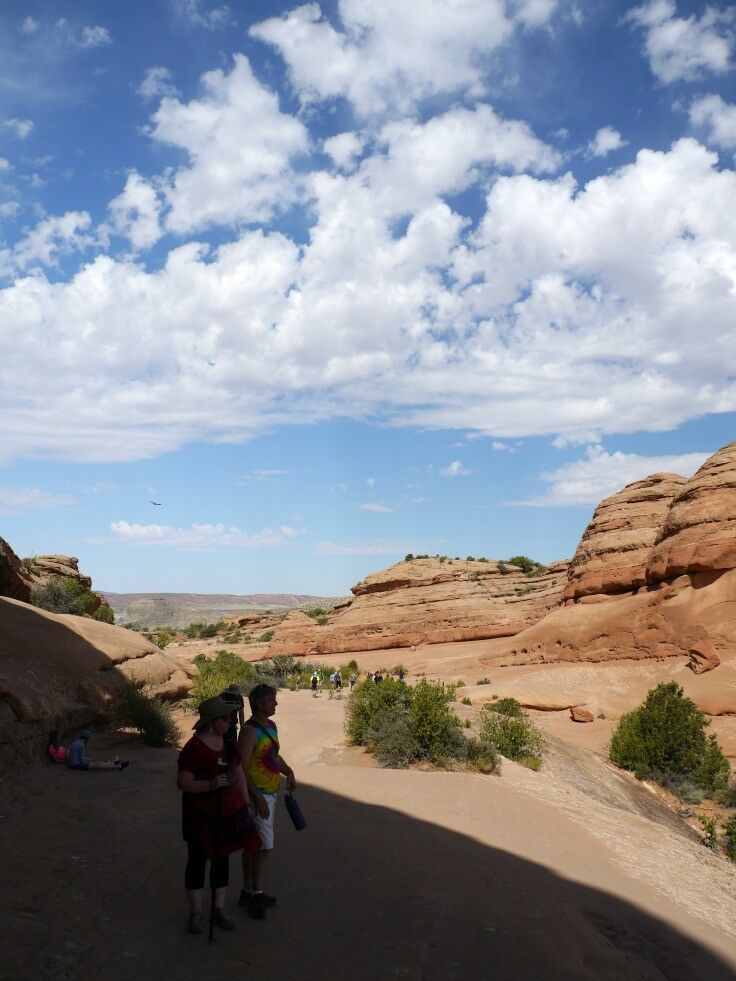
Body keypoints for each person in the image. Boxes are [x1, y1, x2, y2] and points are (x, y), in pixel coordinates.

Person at [177, 696, 261, 935]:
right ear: (212, 722)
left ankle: (220, 908)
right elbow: (183, 782)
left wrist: (245, 802)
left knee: (221, 859)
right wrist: (211, 785)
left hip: (227, 813)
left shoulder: (228, 742)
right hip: (199, 815)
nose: (230, 721)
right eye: (226, 718)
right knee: (197, 860)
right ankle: (197, 911)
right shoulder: (193, 749)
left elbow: (238, 773)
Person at [238, 684, 296, 919]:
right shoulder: (250, 731)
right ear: (259, 704)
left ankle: (249, 892)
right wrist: (257, 797)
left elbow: (273, 755)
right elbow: (241, 767)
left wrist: (288, 771)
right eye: (272, 700)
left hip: (269, 794)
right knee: (263, 846)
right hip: (257, 796)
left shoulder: (270, 726)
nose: (275, 703)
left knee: (254, 845)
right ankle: (255, 893)